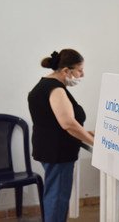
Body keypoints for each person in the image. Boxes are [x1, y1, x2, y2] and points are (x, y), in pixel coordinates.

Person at [28, 49, 94, 222]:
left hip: (49, 149)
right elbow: (68, 124)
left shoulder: (44, 85)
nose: (82, 74)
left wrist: (86, 133)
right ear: (66, 70)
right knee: (57, 198)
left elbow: (52, 122)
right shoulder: (55, 89)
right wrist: (93, 142)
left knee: (53, 195)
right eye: (80, 70)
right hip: (58, 152)